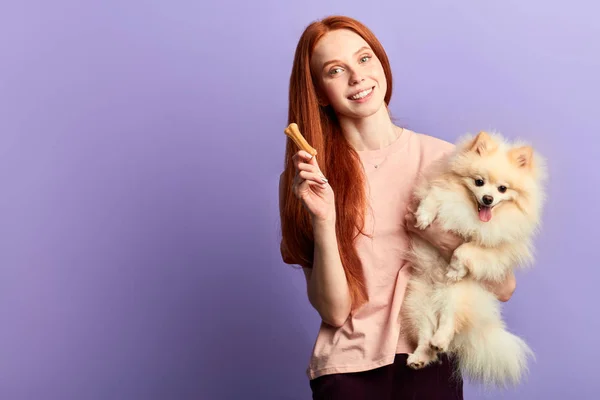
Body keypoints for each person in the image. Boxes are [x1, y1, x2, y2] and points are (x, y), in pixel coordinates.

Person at [278, 15, 516, 399]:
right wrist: (324, 220)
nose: (357, 77)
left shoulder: (449, 161)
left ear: (381, 63)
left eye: (365, 59)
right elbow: (335, 313)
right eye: (336, 70)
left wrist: (444, 240)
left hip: (430, 357)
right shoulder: (310, 179)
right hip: (348, 371)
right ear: (320, 92)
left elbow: (504, 286)